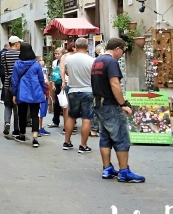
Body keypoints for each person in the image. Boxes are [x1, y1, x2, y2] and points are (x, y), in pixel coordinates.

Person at [91, 37, 145, 183]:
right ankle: (124, 171)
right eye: (123, 51)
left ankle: (107, 168)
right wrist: (123, 104)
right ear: (117, 49)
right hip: (110, 104)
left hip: (98, 104)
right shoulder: (111, 62)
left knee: (105, 137)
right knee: (121, 137)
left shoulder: (97, 61)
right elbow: (115, 84)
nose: (122, 55)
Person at [62, 37, 95, 153]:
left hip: (73, 90)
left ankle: (67, 141)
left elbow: (66, 72)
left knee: (71, 116)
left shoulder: (69, 59)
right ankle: (83, 145)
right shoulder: (92, 60)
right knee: (86, 118)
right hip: (88, 90)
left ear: (75, 46)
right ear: (87, 47)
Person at [11, 43, 47, 146]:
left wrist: (14, 93)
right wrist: (43, 91)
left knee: (22, 114)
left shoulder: (17, 64)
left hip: (22, 92)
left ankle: (22, 134)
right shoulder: (36, 64)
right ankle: (35, 137)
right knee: (34, 115)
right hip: (35, 91)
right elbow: (41, 79)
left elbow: (15, 80)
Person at [0, 36, 22, 137]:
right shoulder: (21, 54)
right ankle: (16, 128)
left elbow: (4, 66)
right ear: (16, 44)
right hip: (19, 83)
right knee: (17, 106)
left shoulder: (4, 54)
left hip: (8, 82)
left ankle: (7, 122)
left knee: (7, 104)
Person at [49, 48, 64, 128]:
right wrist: (53, 84)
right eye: (56, 54)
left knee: (66, 103)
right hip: (57, 83)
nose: (57, 55)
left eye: (59, 53)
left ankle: (71, 122)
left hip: (64, 83)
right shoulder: (55, 62)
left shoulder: (65, 61)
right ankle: (55, 121)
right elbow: (54, 74)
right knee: (57, 102)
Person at [36, 59, 51, 136]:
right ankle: (37, 128)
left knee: (42, 111)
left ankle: (40, 127)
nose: (42, 61)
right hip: (41, 93)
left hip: (45, 92)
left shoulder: (44, 71)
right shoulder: (37, 71)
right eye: (41, 60)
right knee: (39, 111)